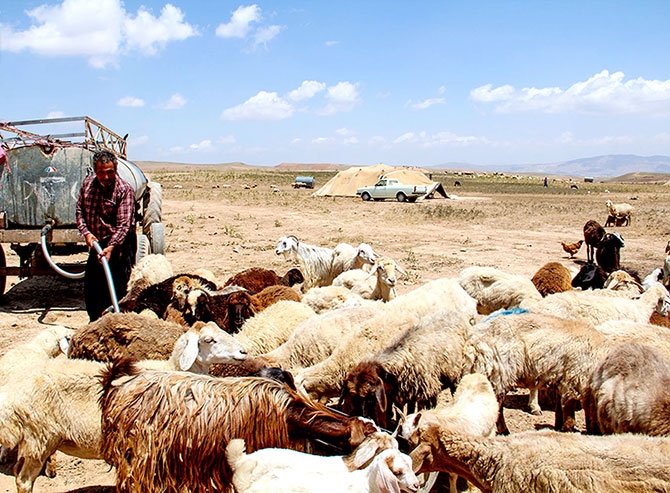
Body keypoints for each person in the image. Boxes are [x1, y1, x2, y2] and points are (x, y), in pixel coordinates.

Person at [76, 149, 137, 321]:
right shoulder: (87, 185)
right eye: (101, 172)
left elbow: (124, 225)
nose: (106, 177)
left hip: (120, 244)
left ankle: (117, 322)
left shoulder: (124, 190)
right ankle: (95, 322)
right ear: (95, 171)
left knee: (118, 287)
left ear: (116, 169)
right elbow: (79, 211)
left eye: (110, 172)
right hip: (97, 242)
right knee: (92, 289)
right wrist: (86, 233)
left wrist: (111, 246)